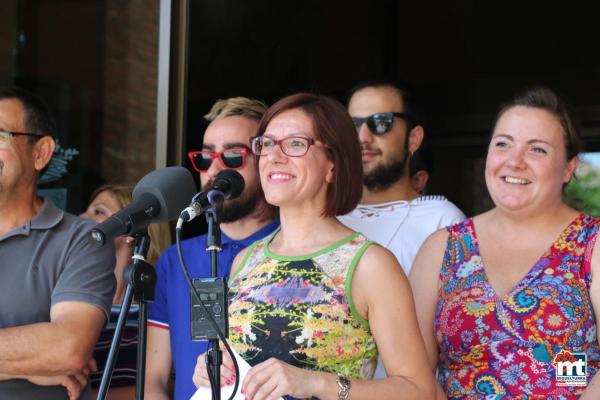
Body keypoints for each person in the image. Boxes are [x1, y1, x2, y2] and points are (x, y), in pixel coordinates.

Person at [192, 93, 435, 399]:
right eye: (266, 144)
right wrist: (213, 369)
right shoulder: (246, 260)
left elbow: (419, 391)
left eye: (295, 144)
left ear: (333, 164)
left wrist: (317, 383)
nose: (274, 157)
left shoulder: (369, 264)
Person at [410, 87, 600, 399]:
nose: (515, 161)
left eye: (537, 149)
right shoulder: (443, 247)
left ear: (569, 167)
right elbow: (412, 371)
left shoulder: (591, 244)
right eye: (503, 145)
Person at [145, 97, 279, 400]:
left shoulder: (296, 249)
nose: (215, 169)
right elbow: (152, 378)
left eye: (233, 156)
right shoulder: (175, 258)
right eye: (205, 158)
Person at [0, 86, 115, 400]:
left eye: (0, 136)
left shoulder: (82, 240)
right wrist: (27, 366)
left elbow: (68, 349)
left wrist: (52, 356)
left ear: (41, 153)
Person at [339, 81, 465, 275]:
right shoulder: (326, 215)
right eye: (352, 125)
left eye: (381, 123)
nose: (363, 137)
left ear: (413, 139)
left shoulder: (442, 221)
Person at [81, 184, 172, 399]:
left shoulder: (152, 308)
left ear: (132, 231)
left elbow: (168, 385)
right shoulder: (71, 302)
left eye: (98, 211)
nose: (82, 217)